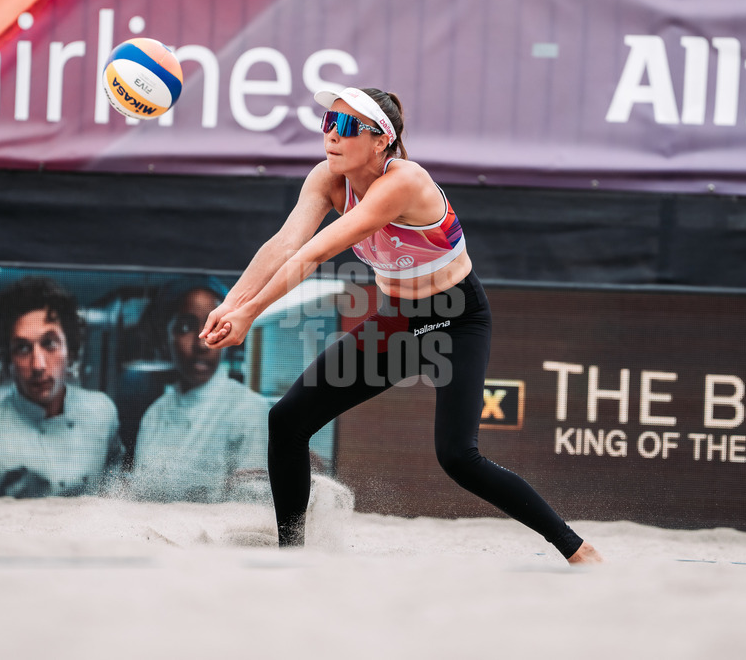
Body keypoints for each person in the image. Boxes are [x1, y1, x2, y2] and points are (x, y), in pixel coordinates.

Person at [201, 87, 601, 564]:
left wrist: (251, 312)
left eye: (347, 126)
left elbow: (314, 253)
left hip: (457, 320)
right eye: (328, 121)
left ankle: (578, 551)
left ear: (380, 141)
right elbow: (285, 244)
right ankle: (292, 557)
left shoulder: (405, 181)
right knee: (287, 421)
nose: (331, 134)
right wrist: (232, 304)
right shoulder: (327, 178)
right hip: (398, 319)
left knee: (458, 458)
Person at [0, 276, 123, 498]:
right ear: (7, 358)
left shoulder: (102, 414)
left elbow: (116, 498)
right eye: (22, 348)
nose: (38, 365)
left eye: (49, 343)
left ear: (70, 349)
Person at [128, 277, 271, 503]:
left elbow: (251, 510)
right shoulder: (155, 415)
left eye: (214, 326)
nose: (202, 343)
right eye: (185, 327)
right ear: (166, 337)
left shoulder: (249, 410)